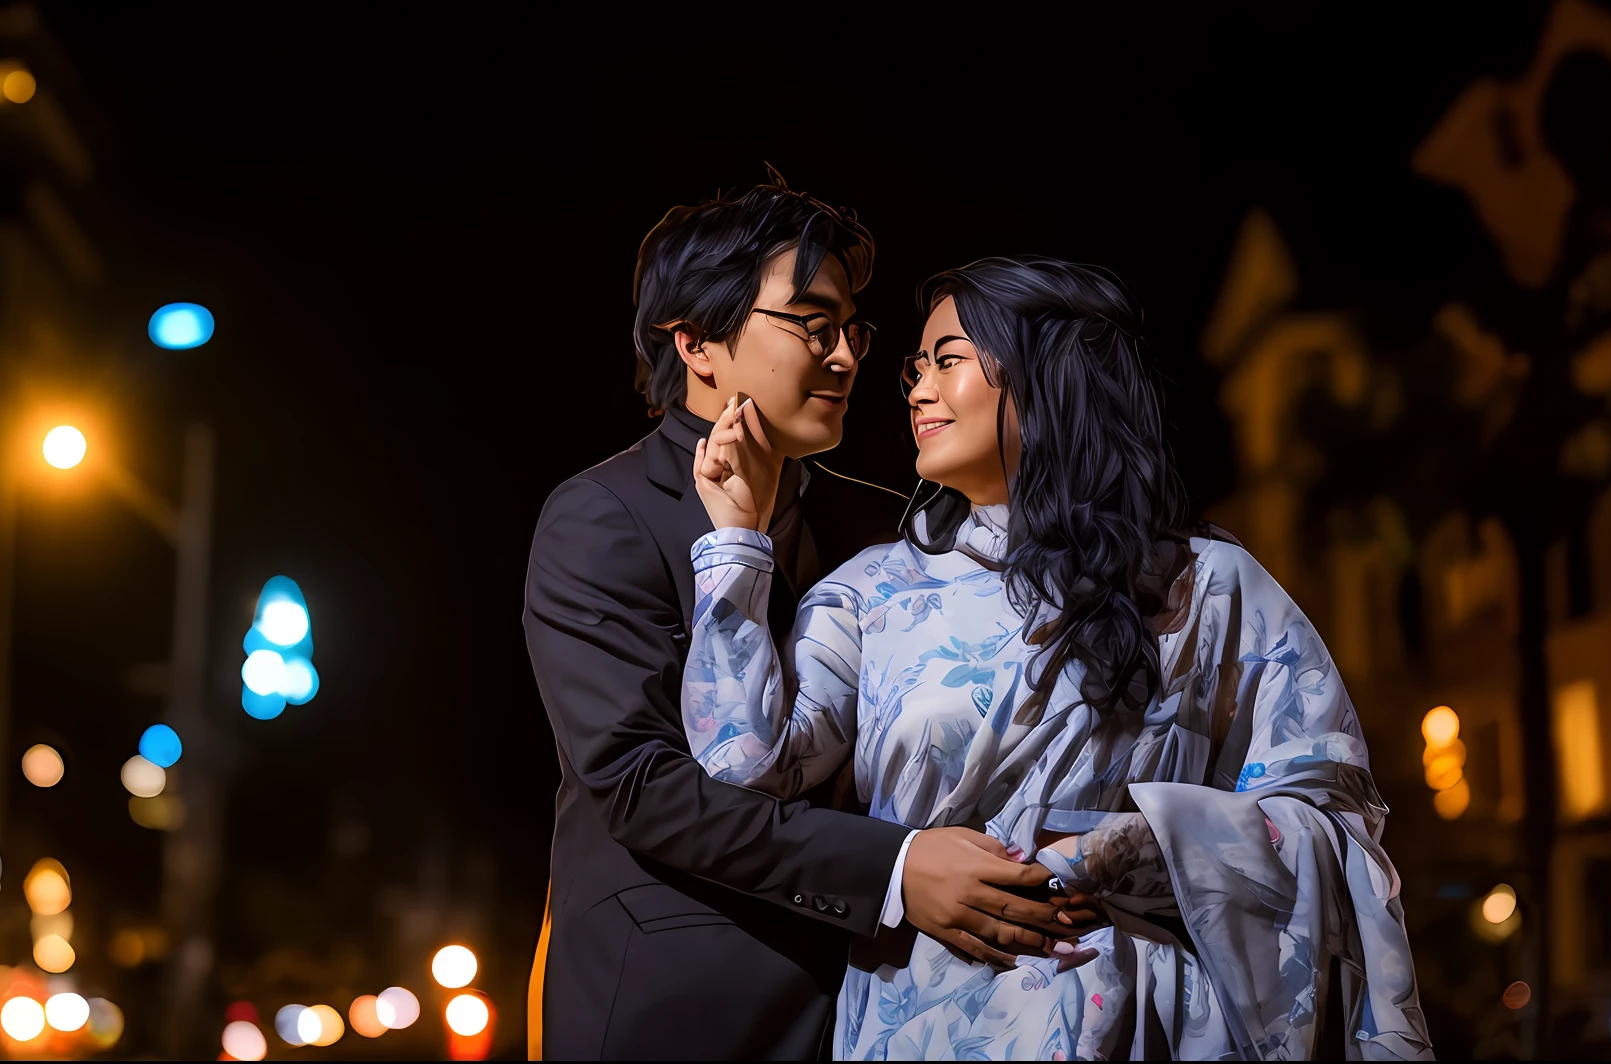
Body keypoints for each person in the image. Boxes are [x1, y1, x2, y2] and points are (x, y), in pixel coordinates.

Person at [683, 256, 1433, 1060]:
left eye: (946, 360)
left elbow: (1334, 822)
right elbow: (740, 769)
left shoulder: (1204, 586)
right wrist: (735, 544)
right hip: (927, 1026)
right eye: (915, 366)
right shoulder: (871, 594)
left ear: (1042, 378)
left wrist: (1143, 850)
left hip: (1157, 1031)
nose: (916, 388)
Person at [524, 184, 1091, 1061]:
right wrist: (895, 868)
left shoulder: (886, 532)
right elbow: (642, 786)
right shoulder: (603, 516)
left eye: (852, 331)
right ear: (697, 342)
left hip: (870, 1005)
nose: (846, 358)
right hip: (676, 1007)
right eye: (810, 325)